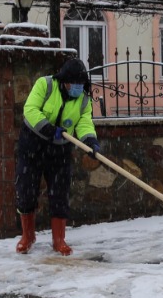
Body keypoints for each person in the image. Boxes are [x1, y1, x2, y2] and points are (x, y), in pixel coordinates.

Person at [15, 59, 101, 255]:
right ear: (64, 81)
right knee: (26, 191)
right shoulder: (45, 85)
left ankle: (58, 239)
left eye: (81, 84)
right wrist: (49, 129)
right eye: (74, 83)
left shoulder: (84, 100)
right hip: (33, 147)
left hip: (60, 151)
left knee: (59, 194)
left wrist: (90, 142)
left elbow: (84, 123)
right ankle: (28, 236)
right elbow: (30, 110)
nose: (78, 87)